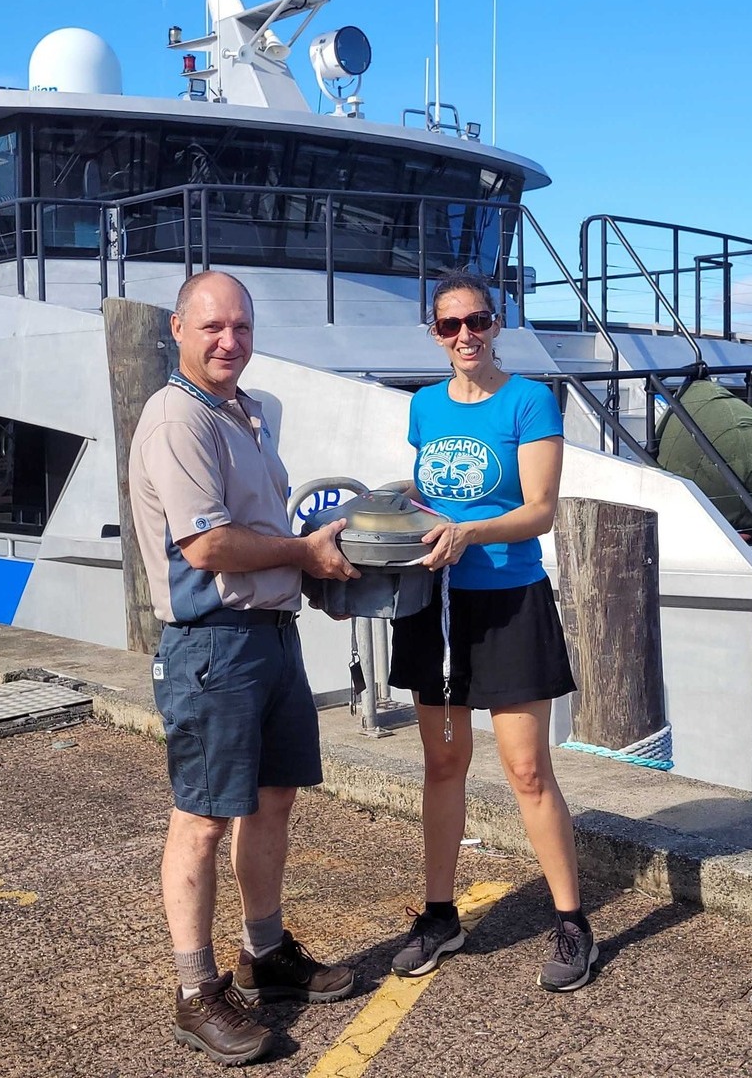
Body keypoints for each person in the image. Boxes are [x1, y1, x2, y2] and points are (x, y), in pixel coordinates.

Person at [128, 270, 362, 1066]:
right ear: (177, 329)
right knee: (201, 818)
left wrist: (329, 538)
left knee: (273, 801)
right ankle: (196, 992)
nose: (229, 341)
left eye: (242, 328)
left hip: (268, 636)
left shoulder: (246, 414)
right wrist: (307, 552)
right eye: (212, 327)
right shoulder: (175, 418)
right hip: (212, 645)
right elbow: (208, 545)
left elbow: (257, 525)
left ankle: (265, 957)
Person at [387, 270, 596, 993]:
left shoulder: (529, 401)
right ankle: (440, 915)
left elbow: (540, 509)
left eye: (476, 320)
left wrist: (469, 531)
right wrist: (392, 520)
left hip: (509, 600)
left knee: (527, 769)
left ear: (496, 321)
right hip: (434, 601)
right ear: (435, 334)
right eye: (450, 325)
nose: (465, 335)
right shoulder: (424, 406)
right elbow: (424, 493)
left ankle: (572, 922)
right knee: (442, 765)